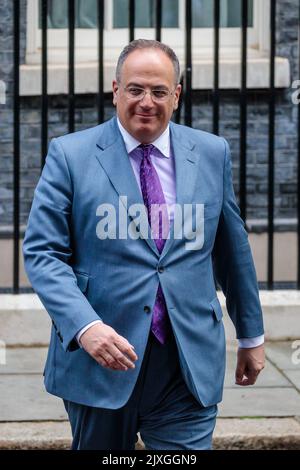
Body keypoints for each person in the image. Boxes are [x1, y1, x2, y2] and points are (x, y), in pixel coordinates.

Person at [23, 39, 265, 450]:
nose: (146, 102)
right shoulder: (70, 155)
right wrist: (86, 327)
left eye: (158, 91)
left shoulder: (210, 153)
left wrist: (251, 335)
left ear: (177, 95)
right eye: (135, 89)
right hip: (102, 359)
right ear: (116, 90)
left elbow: (231, 249)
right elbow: (43, 254)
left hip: (186, 363)